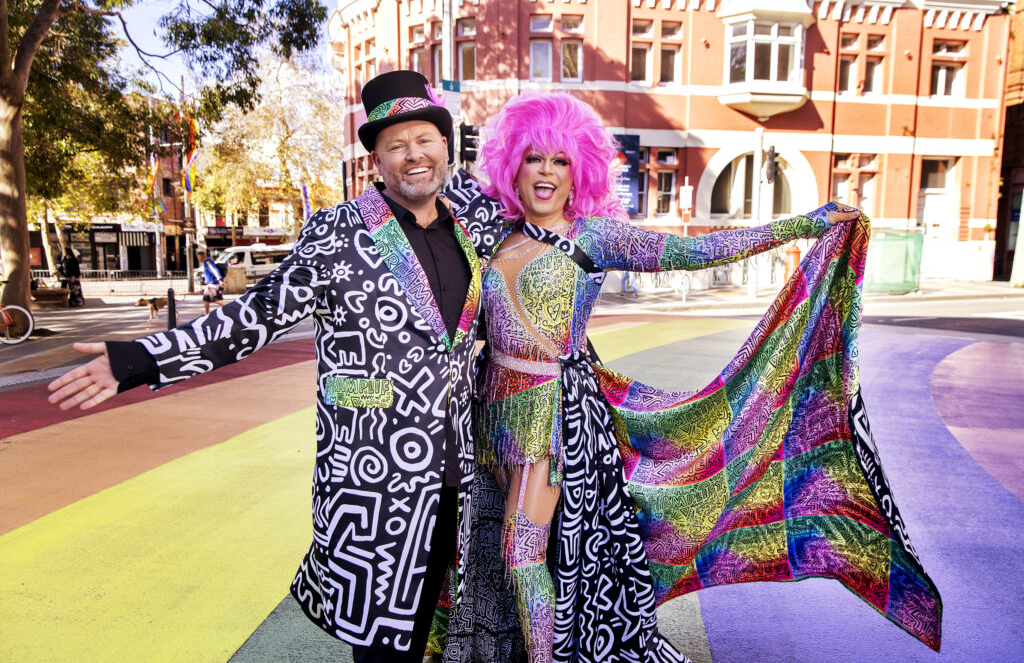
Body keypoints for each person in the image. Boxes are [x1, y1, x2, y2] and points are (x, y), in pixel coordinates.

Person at [47, 70, 513, 662]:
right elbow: (255, 317)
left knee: (443, 632)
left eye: (425, 139)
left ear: (447, 145)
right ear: (375, 159)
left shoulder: (477, 224)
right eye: (396, 145)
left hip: (460, 471)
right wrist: (139, 358)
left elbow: (542, 241)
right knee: (382, 643)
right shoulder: (338, 233)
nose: (413, 156)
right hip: (374, 480)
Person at [469, 91, 939, 663]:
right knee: (495, 555)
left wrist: (800, 225)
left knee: (523, 550)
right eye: (533, 157)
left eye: (560, 160)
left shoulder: (592, 237)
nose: (545, 172)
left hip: (554, 421)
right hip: (492, 418)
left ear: (579, 172)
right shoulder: (493, 237)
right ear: (512, 163)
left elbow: (698, 252)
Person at [198, 249, 226, 314]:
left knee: (216, 300)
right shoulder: (206, 262)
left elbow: (214, 270)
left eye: (198, 257)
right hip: (209, 285)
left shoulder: (208, 262)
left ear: (201, 256)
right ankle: (206, 313)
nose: (198, 259)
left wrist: (219, 280)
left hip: (212, 285)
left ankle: (229, 308)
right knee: (206, 299)